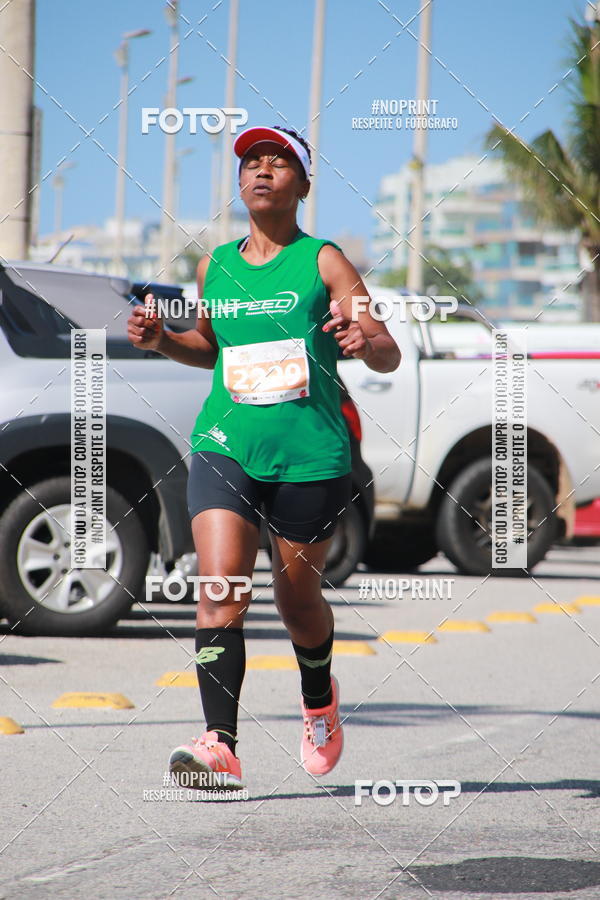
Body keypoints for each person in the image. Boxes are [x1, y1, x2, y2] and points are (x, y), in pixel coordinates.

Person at [127, 124, 401, 790]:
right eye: (253, 161)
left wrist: (361, 339)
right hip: (226, 444)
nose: (262, 170)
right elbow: (210, 347)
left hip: (310, 454)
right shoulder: (213, 264)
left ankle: (318, 698)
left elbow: (386, 349)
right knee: (219, 589)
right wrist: (164, 338)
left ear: (302, 185)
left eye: (278, 162)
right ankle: (219, 743)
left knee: (296, 597)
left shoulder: (325, 261)